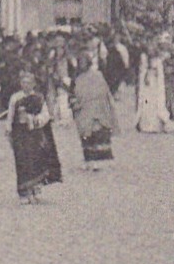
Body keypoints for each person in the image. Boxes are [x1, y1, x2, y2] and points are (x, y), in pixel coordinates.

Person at [7, 72, 62, 204]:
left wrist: (35, 120)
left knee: (36, 160)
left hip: (35, 135)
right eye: (23, 82)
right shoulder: (15, 98)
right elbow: (10, 115)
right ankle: (24, 193)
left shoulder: (38, 98)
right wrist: (9, 129)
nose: (25, 85)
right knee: (22, 161)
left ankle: (34, 190)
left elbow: (46, 115)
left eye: (28, 82)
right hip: (20, 135)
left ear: (33, 84)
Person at [70, 54, 118, 171]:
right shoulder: (77, 78)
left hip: (98, 109)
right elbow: (73, 94)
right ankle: (89, 160)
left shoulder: (97, 76)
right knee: (87, 135)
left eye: (84, 61)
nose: (82, 64)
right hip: (84, 111)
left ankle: (104, 161)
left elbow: (104, 92)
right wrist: (75, 103)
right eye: (80, 62)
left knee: (99, 133)